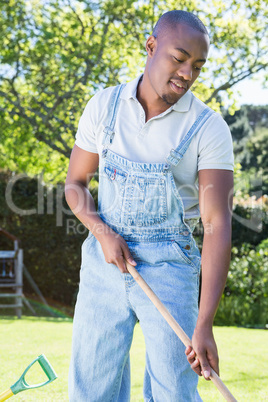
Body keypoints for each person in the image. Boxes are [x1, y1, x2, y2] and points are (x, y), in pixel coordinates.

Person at [65, 9, 234, 402]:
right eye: (179, 58)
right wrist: (103, 232)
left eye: (198, 65)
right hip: (104, 265)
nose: (188, 73)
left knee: (174, 392)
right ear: (151, 46)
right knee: (91, 390)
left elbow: (216, 223)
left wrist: (204, 323)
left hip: (170, 269)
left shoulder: (208, 128)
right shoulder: (104, 107)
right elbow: (75, 185)